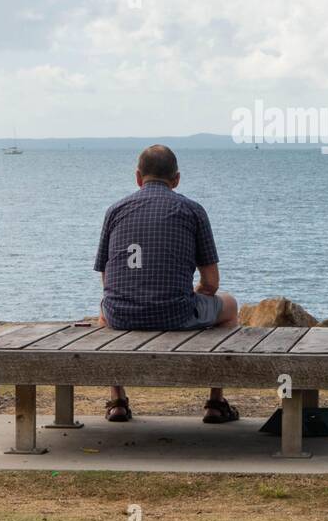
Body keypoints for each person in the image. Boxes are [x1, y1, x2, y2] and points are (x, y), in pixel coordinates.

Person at [94, 144, 239, 424]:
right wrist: (190, 297)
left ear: (138, 177)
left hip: (122, 314)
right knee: (230, 305)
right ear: (176, 179)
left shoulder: (115, 211)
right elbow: (211, 283)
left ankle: (117, 401)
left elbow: (107, 281)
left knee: (104, 310)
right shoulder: (193, 210)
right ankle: (215, 403)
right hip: (176, 313)